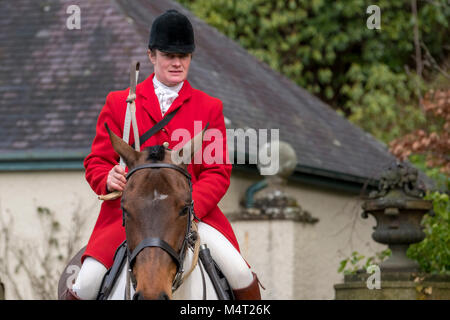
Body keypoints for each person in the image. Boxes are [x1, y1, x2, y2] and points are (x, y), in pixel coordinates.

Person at [63, 9, 261, 300]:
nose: (177, 62)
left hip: (191, 217)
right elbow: (96, 161)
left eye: (184, 55)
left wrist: (188, 207)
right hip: (131, 218)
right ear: (152, 55)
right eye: (169, 55)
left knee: (241, 274)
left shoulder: (209, 107)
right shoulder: (119, 103)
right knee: (85, 284)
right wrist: (107, 178)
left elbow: (217, 172)